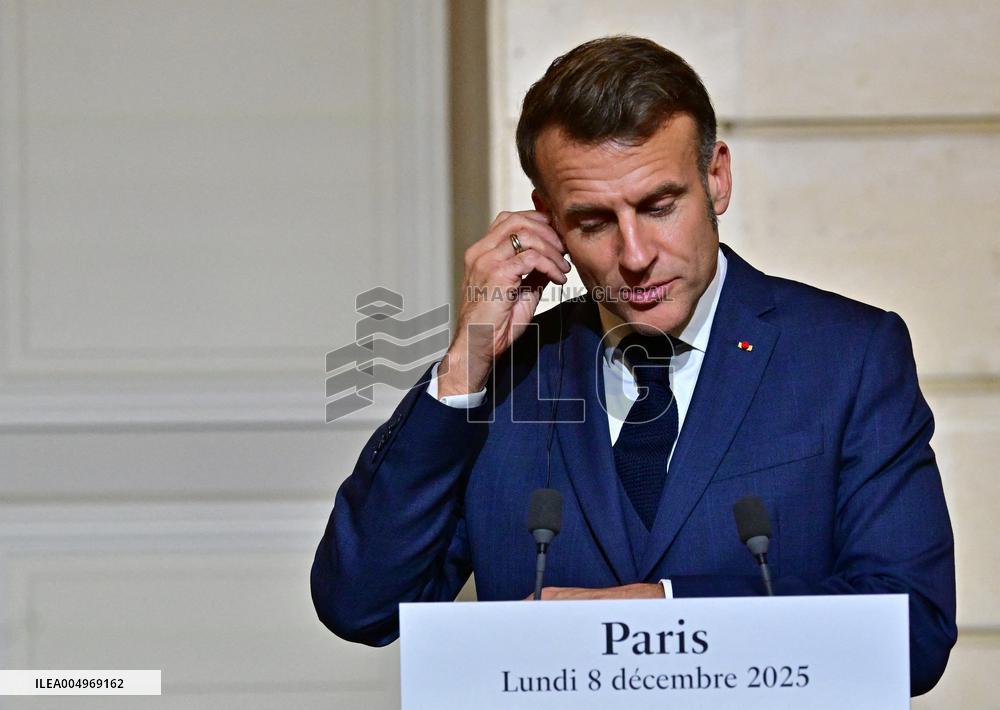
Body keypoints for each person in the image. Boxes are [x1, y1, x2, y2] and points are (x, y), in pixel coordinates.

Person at [311, 36, 956, 695]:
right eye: (593, 220)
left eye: (659, 206)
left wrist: (661, 615)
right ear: (548, 220)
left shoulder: (848, 355)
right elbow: (361, 604)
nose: (636, 253)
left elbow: (915, 629)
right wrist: (461, 369)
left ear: (717, 178)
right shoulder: (505, 380)